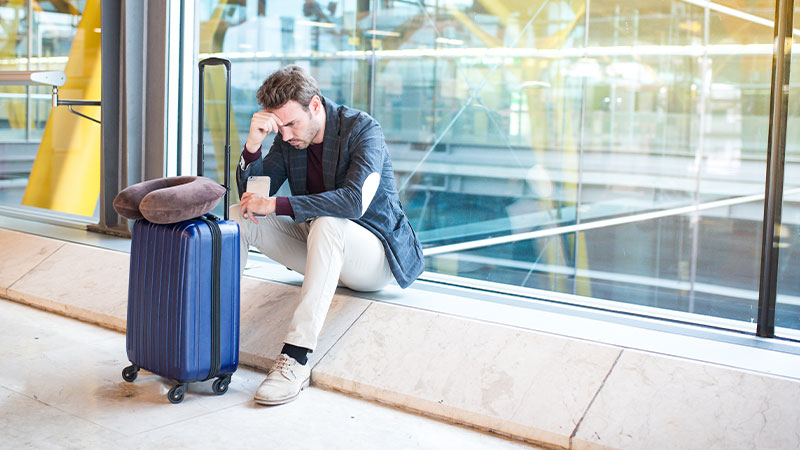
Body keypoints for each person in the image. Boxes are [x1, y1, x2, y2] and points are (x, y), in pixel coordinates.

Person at [232, 65, 424, 406]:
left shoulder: (362, 129)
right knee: (238, 216)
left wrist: (276, 204)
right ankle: (215, 335)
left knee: (328, 222)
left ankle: (296, 359)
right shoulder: (289, 139)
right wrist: (253, 145)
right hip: (322, 248)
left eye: (292, 124)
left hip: (374, 257)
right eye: (280, 126)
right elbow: (255, 197)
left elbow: (353, 202)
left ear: (315, 105)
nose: (286, 135)